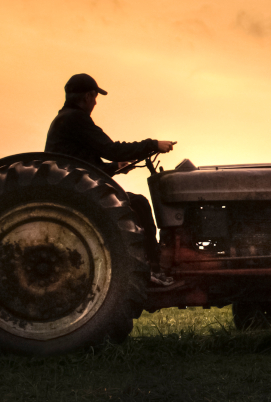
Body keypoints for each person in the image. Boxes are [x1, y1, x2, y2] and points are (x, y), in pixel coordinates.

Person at [45, 72, 179, 287]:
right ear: (88, 96)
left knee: (135, 202)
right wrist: (152, 144)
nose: (95, 102)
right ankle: (152, 268)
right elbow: (111, 149)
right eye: (95, 97)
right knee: (139, 204)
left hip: (74, 187)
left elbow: (80, 162)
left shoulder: (64, 119)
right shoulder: (76, 119)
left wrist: (114, 168)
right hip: (79, 193)